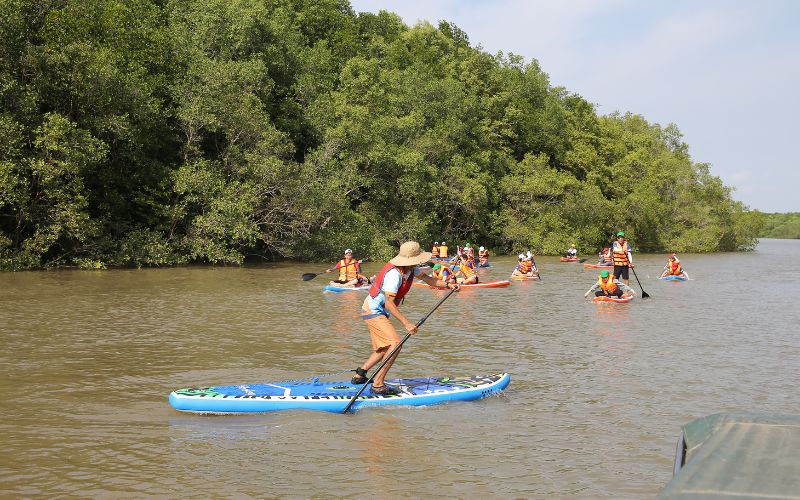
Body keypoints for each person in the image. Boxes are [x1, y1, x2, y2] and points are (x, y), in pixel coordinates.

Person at [352, 241, 460, 395]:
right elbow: (389, 303)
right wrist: (406, 323)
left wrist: (449, 285)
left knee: (385, 347)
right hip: (373, 310)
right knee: (395, 344)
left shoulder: (411, 269)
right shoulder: (394, 275)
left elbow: (429, 280)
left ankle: (360, 375)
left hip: (377, 310)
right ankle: (377, 384)